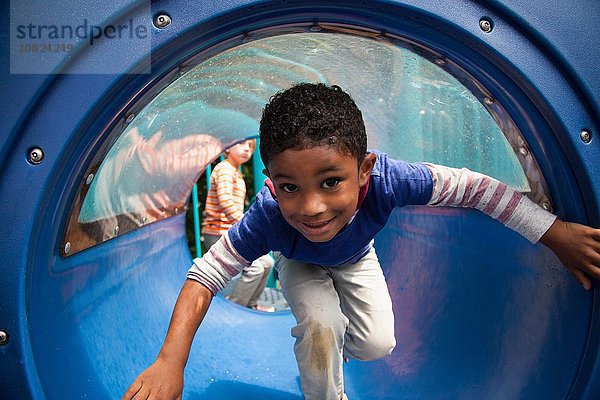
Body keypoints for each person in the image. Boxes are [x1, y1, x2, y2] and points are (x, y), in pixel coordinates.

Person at [123, 83, 600, 400]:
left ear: (365, 170)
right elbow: (205, 274)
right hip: (299, 263)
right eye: (290, 186)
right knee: (322, 323)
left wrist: (552, 233)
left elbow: (474, 188)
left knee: (377, 343)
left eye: (331, 181)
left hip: (356, 256)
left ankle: (322, 349)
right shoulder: (269, 215)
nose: (310, 207)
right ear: (270, 181)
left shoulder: (393, 180)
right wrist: (170, 361)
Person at [201, 139, 275, 312]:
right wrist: (243, 224)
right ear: (228, 147)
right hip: (218, 232)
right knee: (256, 267)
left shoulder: (235, 172)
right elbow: (225, 201)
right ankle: (235, 306)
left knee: (267, 263)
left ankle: (250, 303)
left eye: (250, 147)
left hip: (228, 230)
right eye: (242, 144)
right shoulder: (225, 169)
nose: (247, 150)